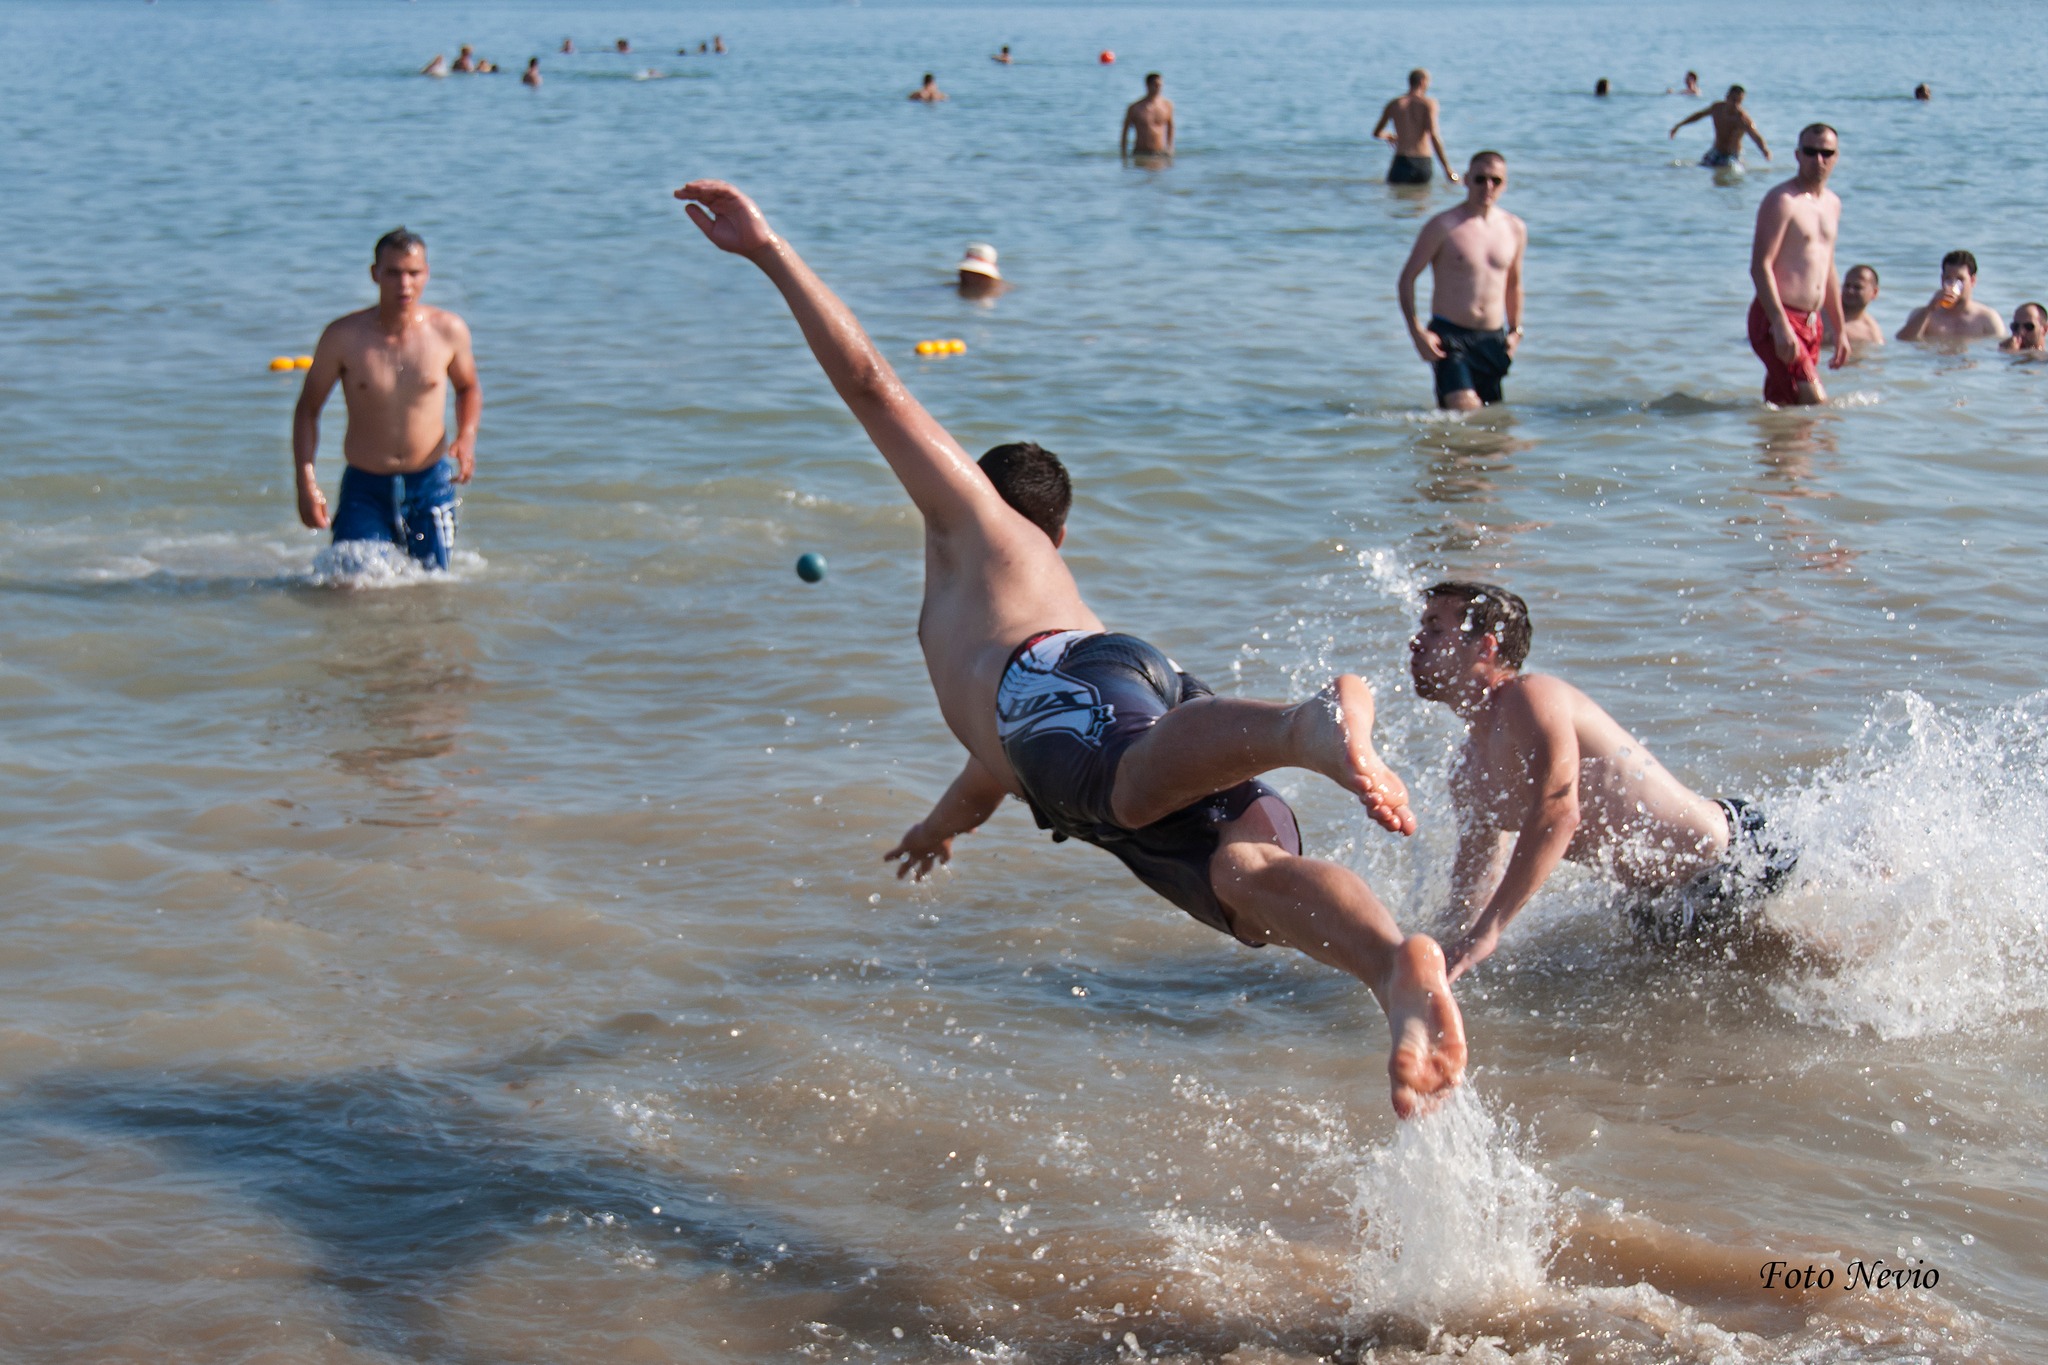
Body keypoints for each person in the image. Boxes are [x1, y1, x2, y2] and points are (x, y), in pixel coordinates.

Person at [672, 179, 1466, 1117]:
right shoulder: (1026, 650)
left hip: (1079, 699)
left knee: (1129, 781)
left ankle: (1307, 726)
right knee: (1246, 884)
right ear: (1063, 532)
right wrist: (937, 831)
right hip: (1139, 699)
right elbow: (994, 772)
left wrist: (769, 251)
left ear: (997, 504)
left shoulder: (978, 534)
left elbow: (875, 386)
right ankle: (1392, 972)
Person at [1408, 582, 1797, 979]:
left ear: (1486, 648)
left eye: (1435, 628)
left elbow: (1559, 811)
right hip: (1648, 904)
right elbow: (1470, 894)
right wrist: (1430, 958)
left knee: (1800, 966)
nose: (1415, 641)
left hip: (1732, 858)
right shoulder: (1467, 771)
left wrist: (1486, 935)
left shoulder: (1529, 698)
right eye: (1422, 627)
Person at [292, 229, 480, 572]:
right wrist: (306, 482)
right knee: (349, 584)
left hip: (430, 481)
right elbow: (308, 408)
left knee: (431, 584)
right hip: (366, 484)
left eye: (413, 273)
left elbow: (468, 388)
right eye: (393, 272)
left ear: (427, 274)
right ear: (375, 273)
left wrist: (466, 436)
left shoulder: (448, 331)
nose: (404, 284)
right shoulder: (343, 337)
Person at [1396, 151, 1526, 410]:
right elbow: (1407, 279)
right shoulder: (1443, 225)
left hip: (1492, 339)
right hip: (1450, 337)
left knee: (1491, 429)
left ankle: (1437, 449)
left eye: (1495, 180)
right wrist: (1416, 331)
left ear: (1505, 184)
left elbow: (1513, 284)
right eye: (1480, 179)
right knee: (1465, 406)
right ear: (1466, 180)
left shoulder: (1514, 228)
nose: (1487, 186)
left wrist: (1515, 331)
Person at [1748, 123, 1847, 405]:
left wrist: (1839, 330)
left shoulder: (1833, 204)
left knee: (1786, 409)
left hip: (1811, 322)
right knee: (1816, 403)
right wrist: (1779, 323)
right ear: (1797, 155)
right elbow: (1759, 266)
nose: (1819, 160)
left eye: (1826, 153)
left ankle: (1778, 450)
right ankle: (1832, 449)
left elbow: (1827, 268)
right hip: (1776, 316)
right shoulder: (1782, 201)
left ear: (1836, 156)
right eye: (1810, 152)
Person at [1896, 250, 2008, 343]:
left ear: (1972, 281)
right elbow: (1903, 342)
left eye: (1960, 279)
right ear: (1941, 279)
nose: (1953, 284)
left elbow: (1998, 353)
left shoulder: (1986, 318)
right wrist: (1929, 309)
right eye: (1948, 278)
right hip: (1937, 366)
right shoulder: (1925, 315)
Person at [1372, 69, 1458, 185]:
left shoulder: (1395, 104)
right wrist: (1447, 168)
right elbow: (1434, 135)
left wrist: (1389, 136)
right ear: (1423, 82)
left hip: (1401, 161)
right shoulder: (1428, 104)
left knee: (1397, 199)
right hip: (1423, 161)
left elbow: (1377, 133)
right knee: (1421, 201)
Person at [1669, 85, 1769, 167]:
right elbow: (1699, 115)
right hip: (1716, 151)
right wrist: (1679, 125)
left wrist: (1765, 150)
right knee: (1700, 166)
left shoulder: (1742, 119)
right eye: (1734, 100)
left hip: (1732, 156)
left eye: (1739, 102)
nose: (1736, 105)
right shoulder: (1717, 108)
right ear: (1727, 97)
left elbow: (1756, 136)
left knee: (1728, 170)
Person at [1832, 263, 1884, 354]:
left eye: (1857, 287)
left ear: (1874, 292)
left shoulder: (1871, 333)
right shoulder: (1822, 310)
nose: (1850, 291)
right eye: (1847, 285)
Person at [1120, 72, 1174, 157]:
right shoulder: (1135, 107)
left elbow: (1171, 127)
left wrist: (1170, 147)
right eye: (1156, 85)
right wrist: (1124, 153)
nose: (1159, 88)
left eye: (1160, 85)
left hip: (1160, 152)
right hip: (1140, 153)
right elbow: (1125, 131)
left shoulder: (1167, 106)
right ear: (1148, 85)